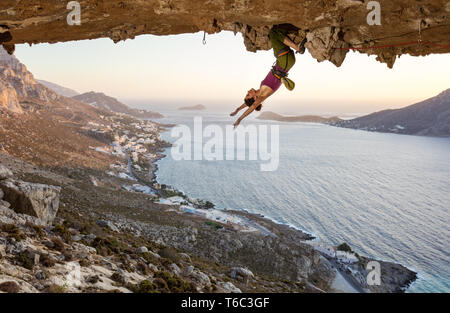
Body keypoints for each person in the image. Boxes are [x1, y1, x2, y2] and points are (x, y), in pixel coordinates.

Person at [231, 25, 306, 128]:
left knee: (277, 33)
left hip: (285, 61)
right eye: (248, 95)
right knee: (273, 33)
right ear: (254, 98)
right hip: (284, 61)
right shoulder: (262, 95)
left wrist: (237, 109)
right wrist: (239, 119)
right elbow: (251, 107)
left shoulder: (259, 90)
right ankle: (298, 47)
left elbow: (248, 104)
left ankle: (294, 30)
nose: (248, 92)